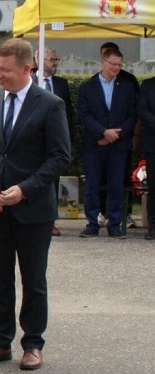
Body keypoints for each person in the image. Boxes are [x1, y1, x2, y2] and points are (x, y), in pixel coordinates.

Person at [0, 38, 70, 371]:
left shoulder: (49, 105)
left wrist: (24, 190)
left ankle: (33, 343)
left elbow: (59, 157)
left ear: (27, 68)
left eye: (5, 69)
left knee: (33, 278)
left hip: (33, 208)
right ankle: (0, 341)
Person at [78, 47, 138, 238]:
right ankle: (92, 223)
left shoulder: (127, 87)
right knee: (92, 184)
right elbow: (84, 115)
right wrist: (103, 132)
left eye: (120, 65)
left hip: (118, 144)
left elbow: (132, 115)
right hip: (94, 144)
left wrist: (115, 135)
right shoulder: (87, 87)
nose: (117, 68)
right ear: (103, 62)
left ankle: (114, 223)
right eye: (113, 64)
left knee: (116, 184)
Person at [31, 46, 73, 236]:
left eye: (56, 60)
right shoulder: (28, 81)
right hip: (31, 141)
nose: (55, 63)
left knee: (52, 182)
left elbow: (68, 115)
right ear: (39, 60)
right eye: (51, 59)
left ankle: (50, 221)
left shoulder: (61, 84)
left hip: (53, 140)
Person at [140, 76, 155, 240]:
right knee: (154, 187)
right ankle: (153, 226)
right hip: (153, 144)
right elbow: (143, 110)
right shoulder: (148, 85)